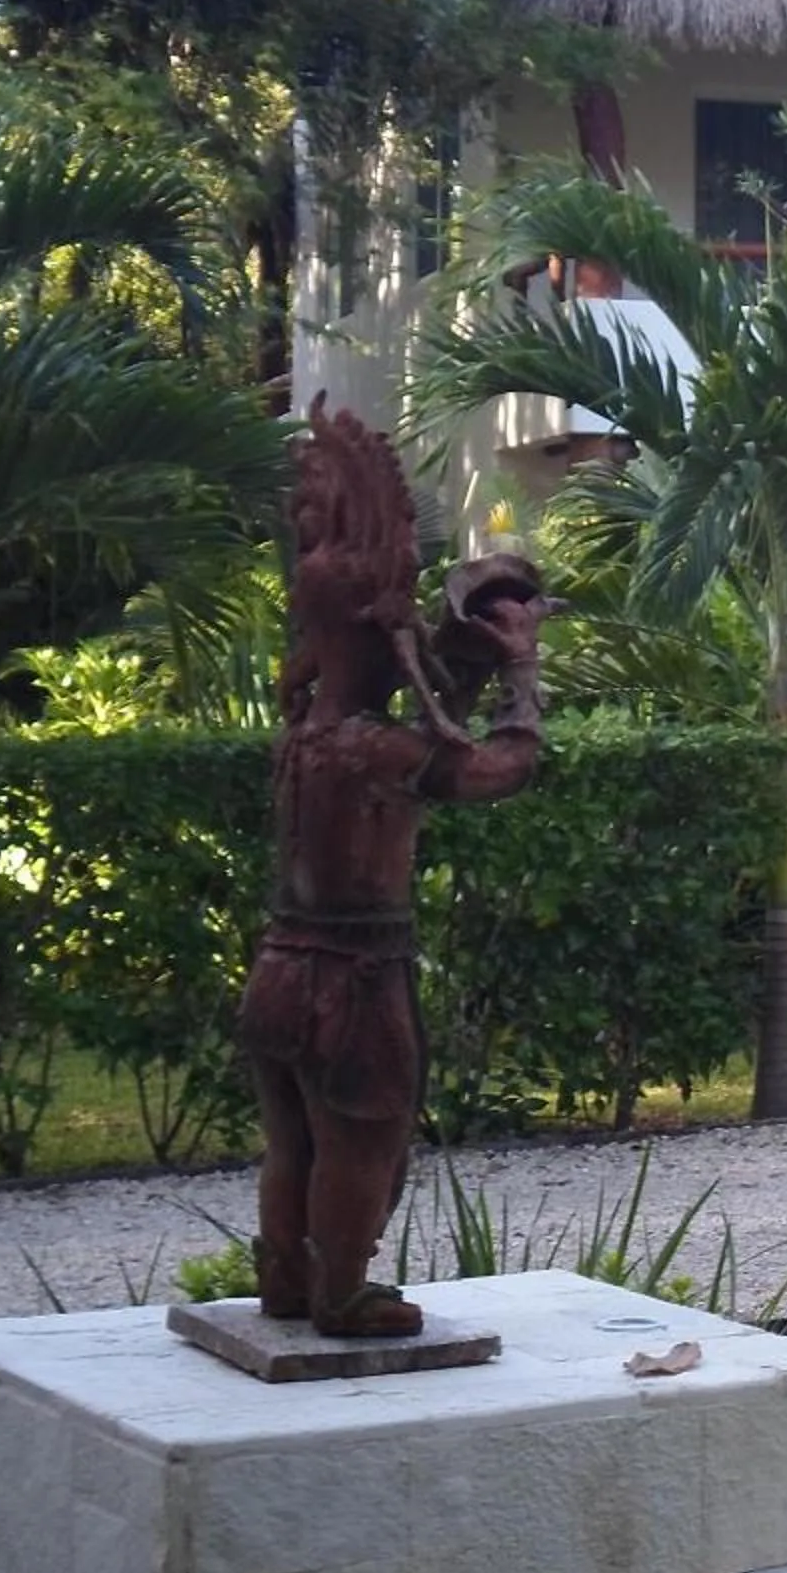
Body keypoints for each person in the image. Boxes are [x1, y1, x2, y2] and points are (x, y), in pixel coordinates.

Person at [241, 402, 550, 1337]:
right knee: (362, 1136)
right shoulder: (375, 750)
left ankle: (287, 1278)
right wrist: (521, 674)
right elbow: (497, 769)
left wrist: (452, 665)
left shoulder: (307, 735)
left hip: (281, 967)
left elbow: (425, 718)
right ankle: (341, 1291)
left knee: (293, 1137)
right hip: (354, 983)